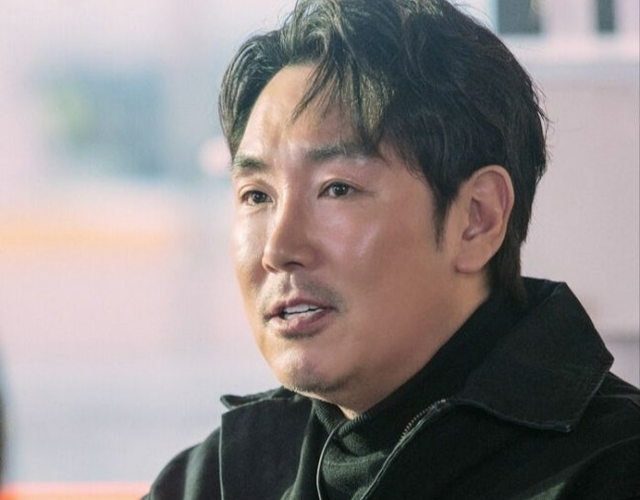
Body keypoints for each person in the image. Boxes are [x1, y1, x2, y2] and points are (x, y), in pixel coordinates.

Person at [144, 0, 640, 498]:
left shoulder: (612, 470)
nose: (278, 248)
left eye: (337, 189)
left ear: (477, 218)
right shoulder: (215, 480)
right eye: (257, 196)